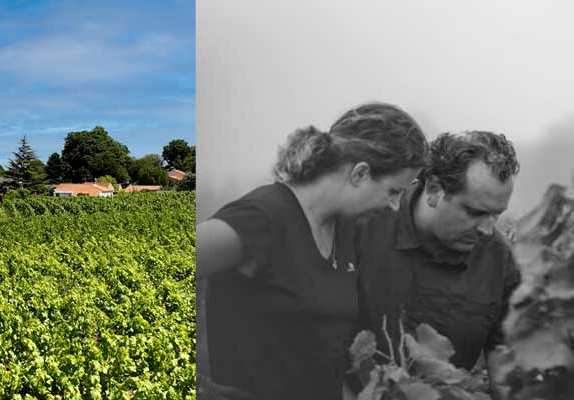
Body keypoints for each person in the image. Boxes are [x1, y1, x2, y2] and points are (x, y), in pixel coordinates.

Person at [196, 102, 429, 400]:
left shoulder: (342, 230)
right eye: (393, 191)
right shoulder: (262, 219)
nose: (395, 205)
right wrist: (203, 390)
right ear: (360, 174)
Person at [355, 131, 521, 372]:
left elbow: (507, 368)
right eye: (475, 212)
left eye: (497, 214)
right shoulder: (362, 228)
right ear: (434, 189)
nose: (487, 230)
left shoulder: (500, 261)